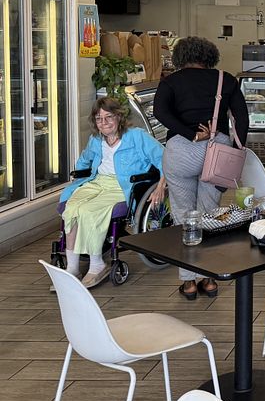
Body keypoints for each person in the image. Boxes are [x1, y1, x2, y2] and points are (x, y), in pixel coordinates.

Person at [154, 36, 249, 300]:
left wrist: (191, 134)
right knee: (209, 213)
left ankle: (188, 282)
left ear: (180, 57)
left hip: (181, 151)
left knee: (184, 215)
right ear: (210, 56)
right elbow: (241, 118)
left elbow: (160, 112)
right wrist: (236, 150)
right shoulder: (225, 79)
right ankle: (209, 278)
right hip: (217, 152)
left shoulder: (171, 81)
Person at [58, 97, 164, 288]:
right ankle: (72, 268)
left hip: (122, 186)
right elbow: (85, 159)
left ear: (119, 117)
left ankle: (97, 265)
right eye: (99, 119)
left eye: (109, 117)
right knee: (71, 209)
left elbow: (164, 159)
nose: (104, 122)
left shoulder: (136, 136)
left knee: (89, 211)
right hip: (97, 182)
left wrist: (160, 186)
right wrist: (78, 178)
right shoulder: (96, 139)